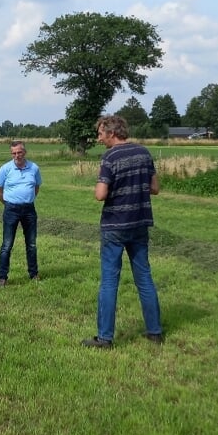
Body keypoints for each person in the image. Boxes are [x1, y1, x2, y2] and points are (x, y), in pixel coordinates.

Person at [83, 115, 164, 347]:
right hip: (139, 223)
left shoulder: (110, 157)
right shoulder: (144, 153)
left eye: (100, 133)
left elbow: (100, 194)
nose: (99, 138)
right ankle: (154, 332)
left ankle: (105, 338)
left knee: (109, 281)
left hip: (115, 225)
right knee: (144, 278)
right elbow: (155, 188)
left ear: (112, 132)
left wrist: (106, 187)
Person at [0, 140, 42, 286]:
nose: (17, 155)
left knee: (31, 244)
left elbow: (36, 187)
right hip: (11, 210)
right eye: (14, 153)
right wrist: (8, 203)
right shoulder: (5, 169)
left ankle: (33, 274)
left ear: (25, 152)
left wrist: (27, 199)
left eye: (19, 152)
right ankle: (2, 277)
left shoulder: (34, 168)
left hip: (29, 209)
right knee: (7, 245)